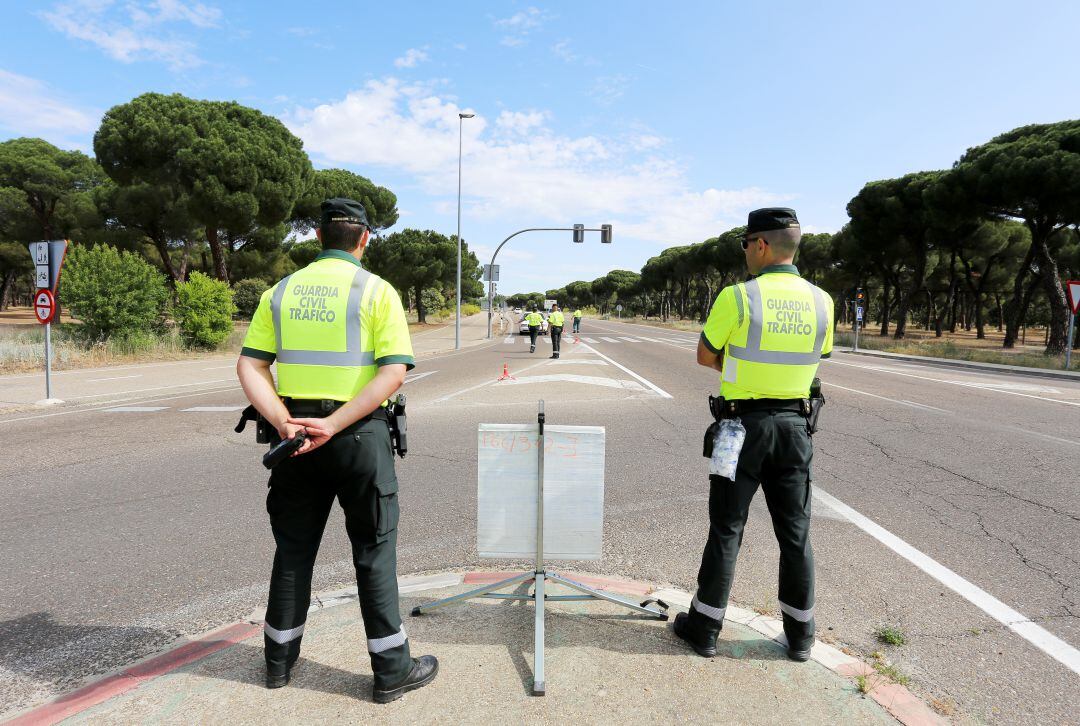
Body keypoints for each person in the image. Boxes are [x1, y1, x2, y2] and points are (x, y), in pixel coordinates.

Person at [236, 198, 438, 704]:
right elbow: (393, 372)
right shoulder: (376, 291)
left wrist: (285, 422)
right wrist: (332, 423)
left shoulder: (280, 292)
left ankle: (278, 664)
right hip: (355, 435)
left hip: (294, 440)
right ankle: (391, 671)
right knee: (373, 553)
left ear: (318, 237)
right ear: (364, 238)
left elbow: (250, 367)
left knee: (293, 551)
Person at [673, 207, 834, 663]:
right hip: (795, 429)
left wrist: (740, 369)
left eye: (745, 244)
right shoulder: (823, 300)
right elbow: (817, 354)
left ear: (761, 244)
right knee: (796, 534)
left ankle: (704, 628)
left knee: (726, 528)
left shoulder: (738, 297)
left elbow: (706, 356)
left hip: (739, 430)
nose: (745, 252)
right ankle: (801, 637)